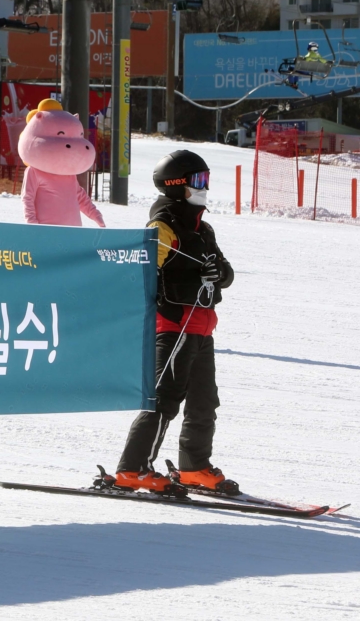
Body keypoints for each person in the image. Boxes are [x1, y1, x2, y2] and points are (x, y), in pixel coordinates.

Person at [110, 150, 235, 495]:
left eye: (206, 179)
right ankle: (132, 469)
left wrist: (218, 272)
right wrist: (187, 276)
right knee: (164, 399)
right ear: (177, 186)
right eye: (199, 181)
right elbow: (145, 270)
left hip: (201, 328)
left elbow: (226, 273)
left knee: (203, 401)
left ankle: (193, 467)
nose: (204, 187)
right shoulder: (164, 225)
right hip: (175, 325)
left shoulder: (202, 227)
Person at [17, 99, 105, 227]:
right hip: (47, 231)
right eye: (61, 134)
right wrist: (32, 225)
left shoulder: (68, 174)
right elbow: (27, 198)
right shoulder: (34, 171)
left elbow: (80, 197)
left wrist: (96, 215)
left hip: (73, 231)